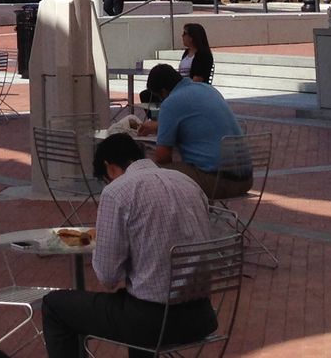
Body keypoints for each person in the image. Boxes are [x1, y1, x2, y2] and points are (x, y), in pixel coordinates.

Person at [40, 133, 216, 358]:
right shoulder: (188, 182)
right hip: (201, 316)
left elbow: (108, 277)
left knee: (55, 306)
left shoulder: (118, 192)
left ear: (109, 167)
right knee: (132, 301)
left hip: (153, 321)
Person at [138, 64, 248, 198]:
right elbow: (198, 122)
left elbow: (163, 157)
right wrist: (158, 126)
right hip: (245, 179)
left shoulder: (170, 103)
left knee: (149, 173)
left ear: (163, 92)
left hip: (217, 182)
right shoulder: (207, 89)